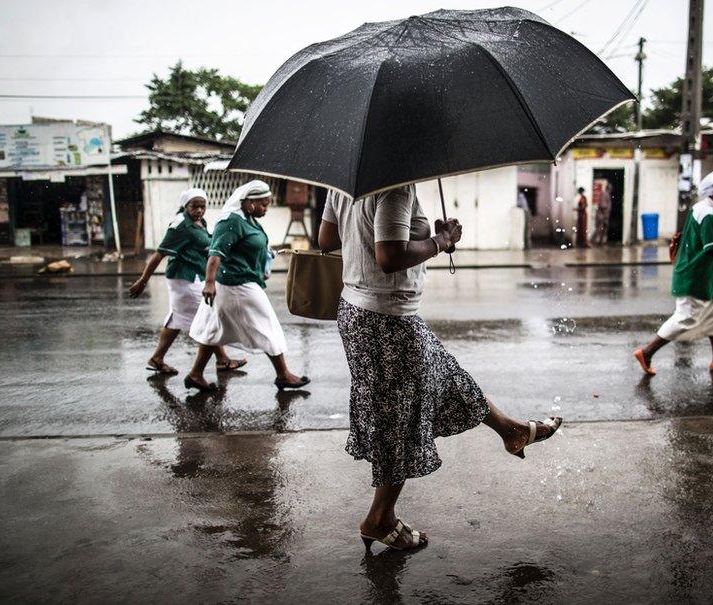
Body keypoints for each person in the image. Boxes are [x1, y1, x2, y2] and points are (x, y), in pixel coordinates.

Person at [318, 184, 562, 552]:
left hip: (357, 311)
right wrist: (441, 240)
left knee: (445, 376)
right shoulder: (394, 186)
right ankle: (379, 519)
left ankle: (511, 431)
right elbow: (388, 256)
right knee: (401, 419)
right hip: (387, 320)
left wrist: (363, 231)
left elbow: (325, 238)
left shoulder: (343, 183)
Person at [634, 171, 713, 376]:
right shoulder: (708, 215)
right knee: (685, 318)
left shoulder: (702, 209)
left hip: (707, 278)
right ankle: (647, 352)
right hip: (694, 278)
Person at [185, 180, 309, 392]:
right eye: (263, 204)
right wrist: (209, 283)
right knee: (268, 325)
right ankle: (283, 375)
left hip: (240, 281)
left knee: (213, 329)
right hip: (236, 285)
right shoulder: (231, 222)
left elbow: (249, 245)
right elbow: (216, 253)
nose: (266, 209)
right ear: (249, 202)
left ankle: (195, 374)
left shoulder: (247, 219)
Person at [128, 188, 246, 375]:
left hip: (193, 277)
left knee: (177, 319)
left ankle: (157, 358)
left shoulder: (199, 222)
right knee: (209, 316)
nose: (199, 210)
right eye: (194, 206)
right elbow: (159, 253)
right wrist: (143, 280)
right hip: (184, 279)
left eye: (202, 206)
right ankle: (221, 360)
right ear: (186, 206)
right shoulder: (180, 225)